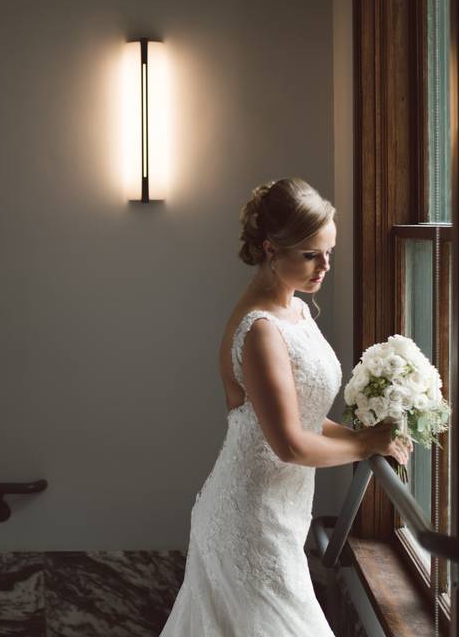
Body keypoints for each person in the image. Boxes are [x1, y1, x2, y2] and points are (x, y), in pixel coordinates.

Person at [159, 178, 411, 636]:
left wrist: (371, 439)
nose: (325, 266)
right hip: (250, 524)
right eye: (311, 254)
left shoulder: (293, 308)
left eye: (329, 252)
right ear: (271, 250)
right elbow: (291, 445)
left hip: (282, 517)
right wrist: (364, 445)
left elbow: (306, 417)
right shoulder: (260, 330)